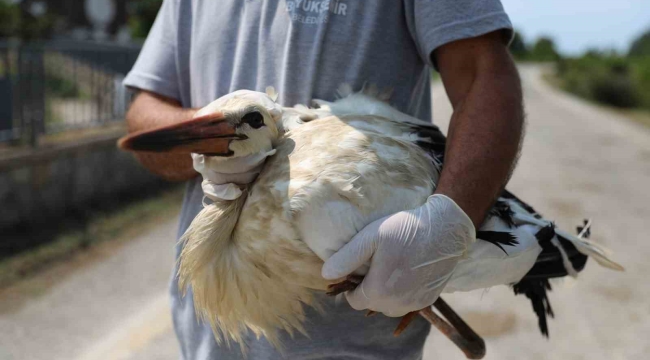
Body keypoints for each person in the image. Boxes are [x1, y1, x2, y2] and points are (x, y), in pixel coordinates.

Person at [123, 0, 524, 359]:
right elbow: (143, 112)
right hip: (206, 344)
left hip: (354, 347)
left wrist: (448, 224)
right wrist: (214, 141)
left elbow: (482, 74)